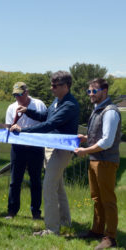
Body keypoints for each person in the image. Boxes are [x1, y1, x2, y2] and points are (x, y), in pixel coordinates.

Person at [10, 71, 79, 236]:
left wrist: (24, 131)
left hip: (62, 149)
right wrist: (28, 111)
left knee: (48, 186)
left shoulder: (69, 105)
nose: (51, 88)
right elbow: (44, 116)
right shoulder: (57, 101)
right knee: (59, 186)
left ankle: (52, 228)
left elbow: (50, 124)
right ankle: (65, 221)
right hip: (52, 147)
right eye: (52, 84)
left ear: (65, 86)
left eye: (55, 86)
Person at [74, 78, 121, 249]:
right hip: (95, 160)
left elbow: (107, 141)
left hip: (106, 161)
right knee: (96, 198)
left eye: (94, 91)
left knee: (107, 200)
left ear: (105, 91)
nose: (91, 94)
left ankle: (111, 237)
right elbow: (100, 136)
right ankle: (97, 230)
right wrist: (86, 139)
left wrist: (85, 150)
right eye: (89, 91)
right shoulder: (97, 110)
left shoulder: (110, 111)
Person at [5, 82, 47, 220]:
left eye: (20, 94)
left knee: (35, 180)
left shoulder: (39, 105)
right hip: (18, 148)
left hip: (36, 148)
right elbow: (8, 127)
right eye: (15, 95)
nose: (18, 97)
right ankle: (12, 211)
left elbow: (45, 124)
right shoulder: (11, 108)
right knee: (15, 181)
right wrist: (10, 128)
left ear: (27, 92)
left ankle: (36, 212)